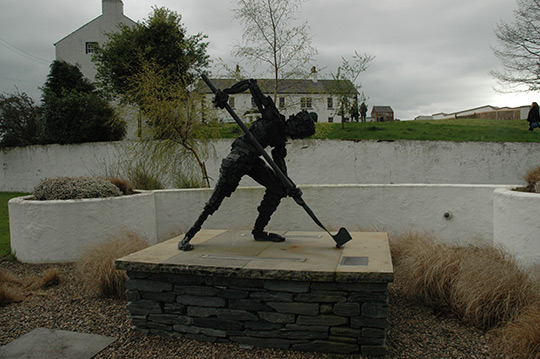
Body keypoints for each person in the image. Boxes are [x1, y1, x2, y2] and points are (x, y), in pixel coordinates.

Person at [178, 79, 316, 251]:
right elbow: (251, 84)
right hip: (239, 156)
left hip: (252, 161)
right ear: (296, 125)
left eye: (300, 136)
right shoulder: (272, 116)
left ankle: (259, 231)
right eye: (300, 133)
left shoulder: (280, 141)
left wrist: (290, 187)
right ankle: (188, 236)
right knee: (217, 199)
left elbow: (280, 171)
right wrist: (225, 93)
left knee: (278, 188)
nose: (297, 137)